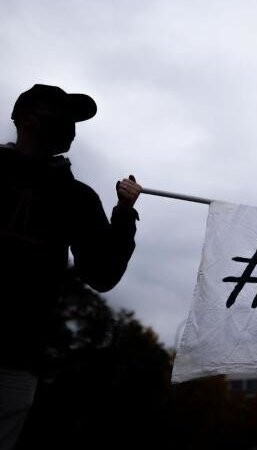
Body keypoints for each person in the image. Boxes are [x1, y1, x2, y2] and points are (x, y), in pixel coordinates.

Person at [0, 84, 142, 449]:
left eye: (72, 121)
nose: (69, 128)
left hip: (16, 359)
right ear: (25, 120)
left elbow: (103, 273)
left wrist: (124, 216)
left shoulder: (75, 197)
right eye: (60, 117)